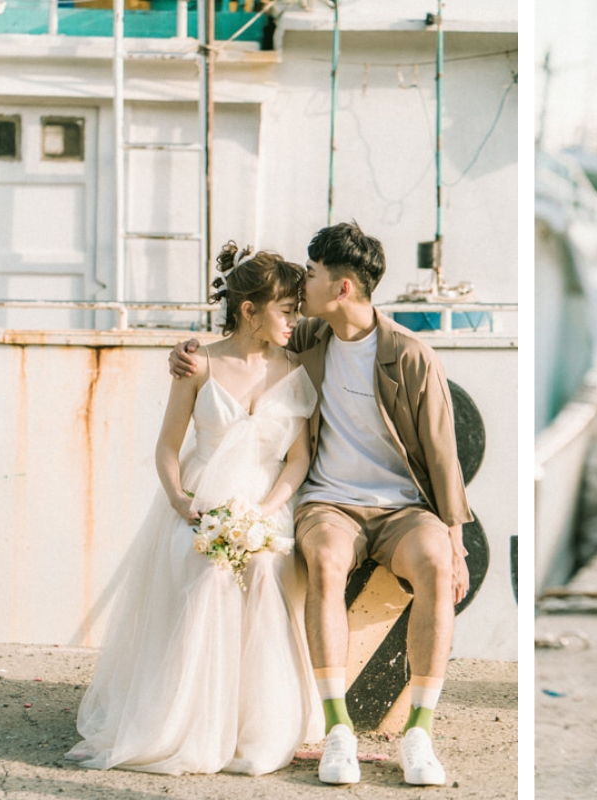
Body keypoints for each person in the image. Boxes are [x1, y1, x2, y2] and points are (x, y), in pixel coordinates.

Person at [169, 221, 471, 787]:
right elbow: (245, 337)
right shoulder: (307, 339)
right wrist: (185, 351)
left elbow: (444, 456)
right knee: (327, 562)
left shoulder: (411, 356)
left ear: (343, 289)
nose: (300, 285)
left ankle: (420, 734)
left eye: (311, 274)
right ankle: (338, 731)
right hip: (329, 504)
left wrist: (454, 543)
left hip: (404, 509)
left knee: (434, 564)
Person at [66, 242, 323, 775]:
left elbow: (297, 459)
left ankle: (256, 727)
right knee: (206, 572)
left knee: (265, 565)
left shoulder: (296, 366)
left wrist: (263, 511)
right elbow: (166, 448)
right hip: (202, 501)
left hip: (266, 503)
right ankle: (190, 723)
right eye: (285, 310)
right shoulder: (199, 364)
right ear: (249, 310)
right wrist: (184, 505)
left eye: (296, 310)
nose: (294, 320)